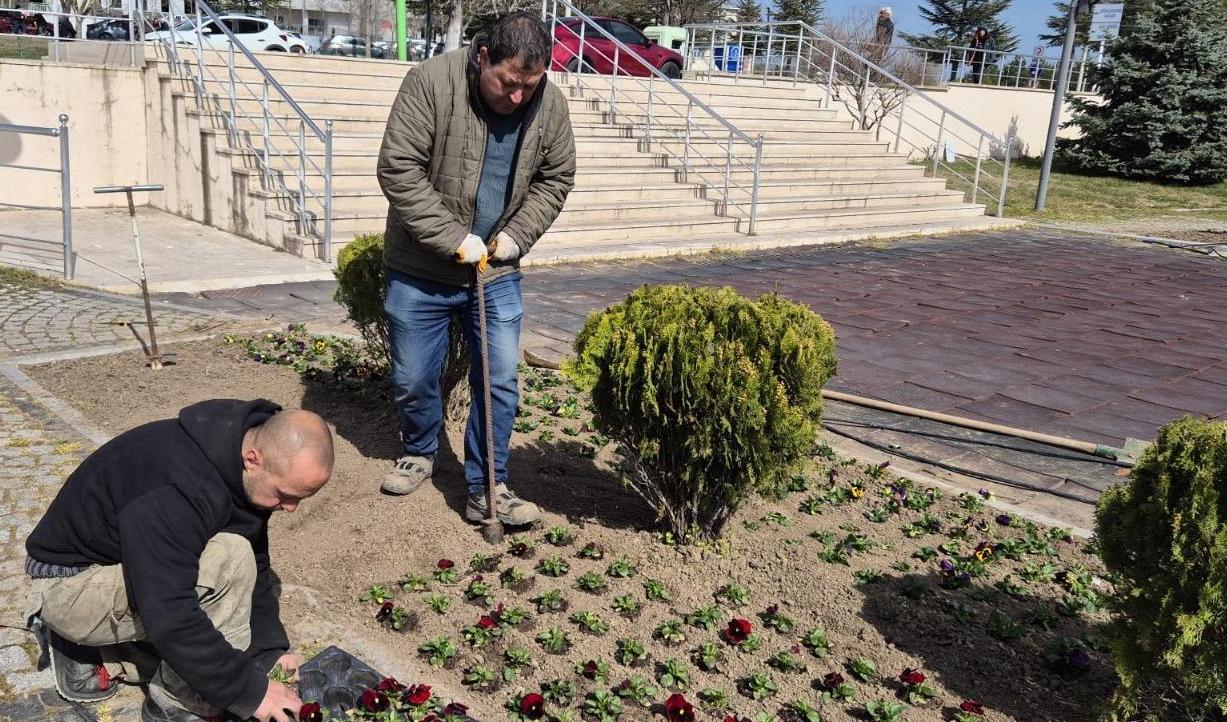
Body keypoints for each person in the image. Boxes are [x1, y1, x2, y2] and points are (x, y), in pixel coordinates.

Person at [376, 12, 575, 525]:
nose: (517, 98)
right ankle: (420, 451)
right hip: (421, 267)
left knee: (500, 382)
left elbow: (556, 177)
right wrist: (451, 238)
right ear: (483, 55)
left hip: (496, 274)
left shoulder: (549, 104)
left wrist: (516, 237)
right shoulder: (429, 82)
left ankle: (489, 486)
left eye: (529, 86)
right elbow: (398, 168)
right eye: (508, 83)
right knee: (415, 377)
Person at [24, 400, 334, 722]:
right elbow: (169, 611)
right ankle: (175, 703)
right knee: (229, 559)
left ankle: (101, 650)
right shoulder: (177, 488)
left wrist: (269, 651)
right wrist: (248, 691)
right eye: (285, 495)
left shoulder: (241, 455)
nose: (292, 508)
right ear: (253, 460)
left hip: (117, 563)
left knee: (235, 557)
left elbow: (256, 561)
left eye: (301, 497)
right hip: (67, 587)